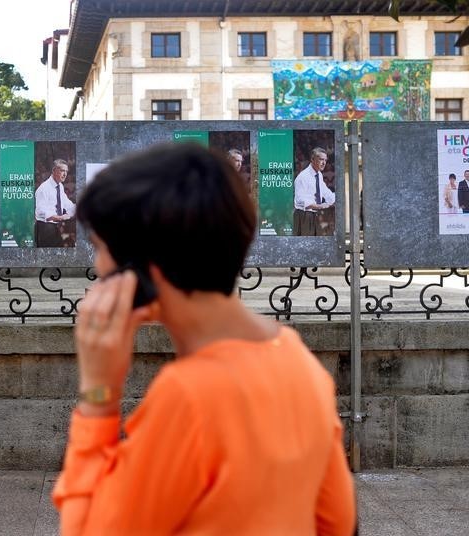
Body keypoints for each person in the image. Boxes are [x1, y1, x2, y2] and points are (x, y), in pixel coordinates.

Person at [52, 143, 356, 535]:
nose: (97, 266)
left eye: (100, 249)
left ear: (145, 267)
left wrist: (98, 396)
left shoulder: (187, 397)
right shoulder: (299, 360)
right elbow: (338, 522)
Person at [293, 147, 335, 236]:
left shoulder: (318, 174)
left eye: (325, 160)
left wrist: (336, 199)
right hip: (304, 216)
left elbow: (326, 192)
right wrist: (320, 206)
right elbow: (301, 201)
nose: (324, 163)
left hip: (314, 215)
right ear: (312, 159)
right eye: (321, 160)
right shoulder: (303, 177)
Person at [35, 159, 76, 247]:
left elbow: (67, 203)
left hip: (56, 228)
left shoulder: (60, 186)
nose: (65, 174)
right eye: (62, 171)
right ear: (54, 171)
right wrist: (59, 218)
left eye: (66, 171)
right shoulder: (43, 189)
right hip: (45, 229)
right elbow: (40, 212)